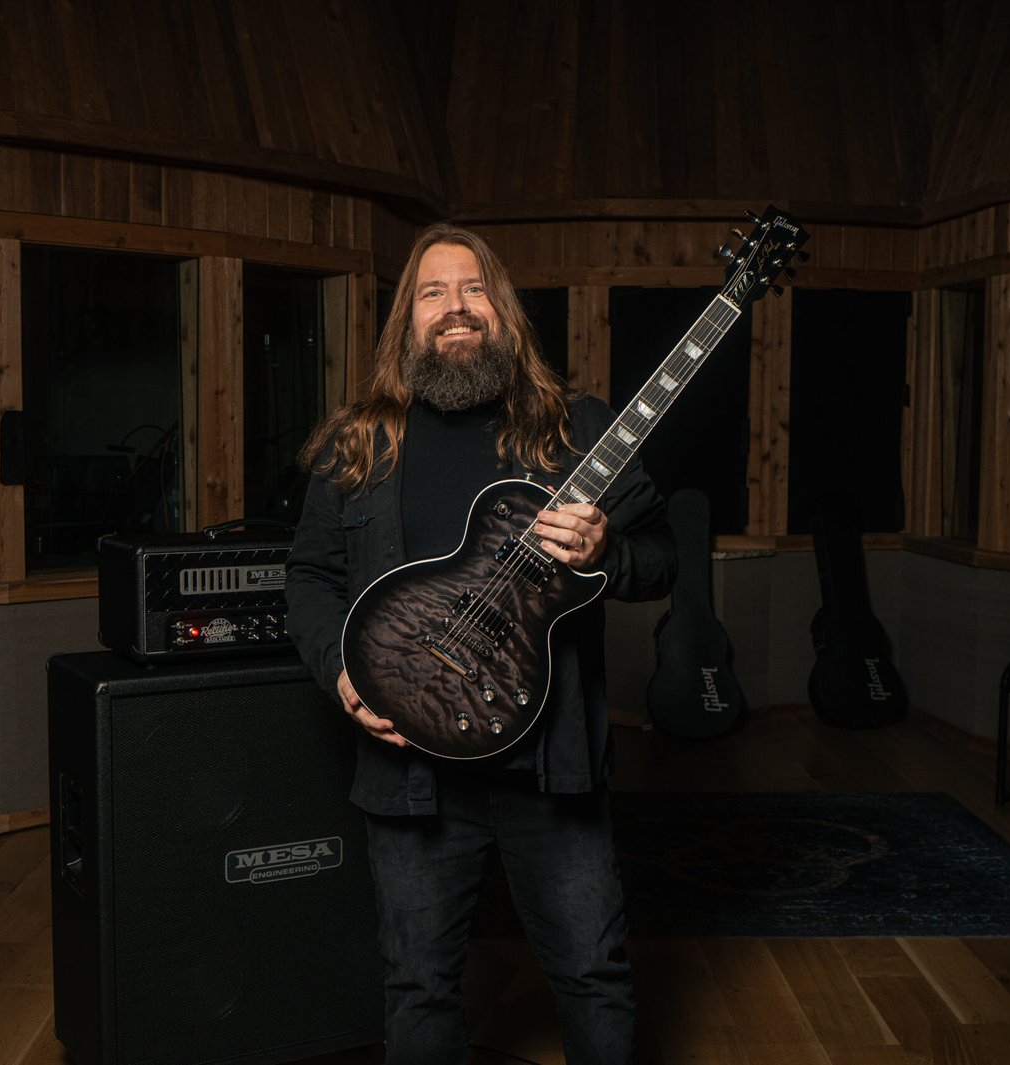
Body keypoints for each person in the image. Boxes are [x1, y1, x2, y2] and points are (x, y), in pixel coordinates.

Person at [285, 223, 676, 1065]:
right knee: (419, 983)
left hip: (551, 768)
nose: (455, 308)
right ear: (407, 319)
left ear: (503, 311)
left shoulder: (580, 430)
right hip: (409, 771)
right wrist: (344, 671)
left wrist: (608, 548)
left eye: (474, 289)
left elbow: (663, 561)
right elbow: (309, 579)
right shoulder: (361, 443)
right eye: (433, 292)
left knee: (593, 970)